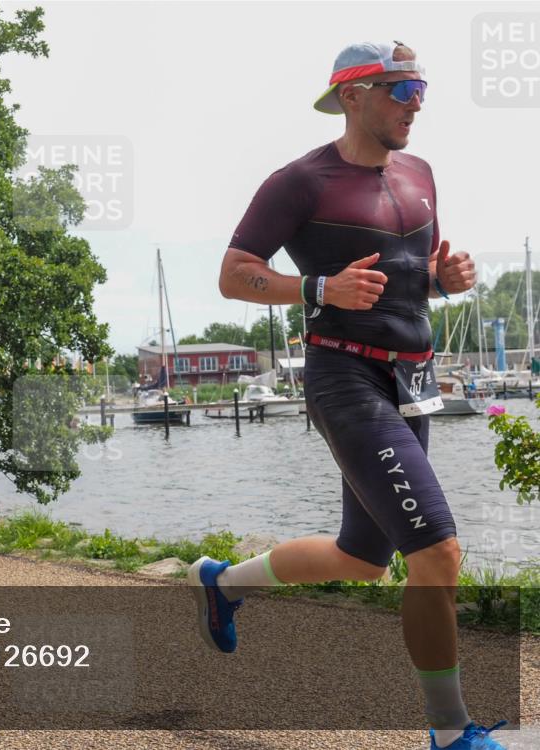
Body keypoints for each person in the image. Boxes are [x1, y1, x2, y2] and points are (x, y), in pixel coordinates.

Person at [190, 42, 506, 750]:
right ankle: (449, 732)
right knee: (437, 552)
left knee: (362, 558)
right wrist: (318, 288)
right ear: (353, 94)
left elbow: (409, 275)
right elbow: (233, 274)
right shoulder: (300, 181)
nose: (417, 103)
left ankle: (223, 583)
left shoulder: (421, 174)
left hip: (412, 378)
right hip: (346, 376)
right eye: (403, 89)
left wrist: (443, 279)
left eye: (422, 88)